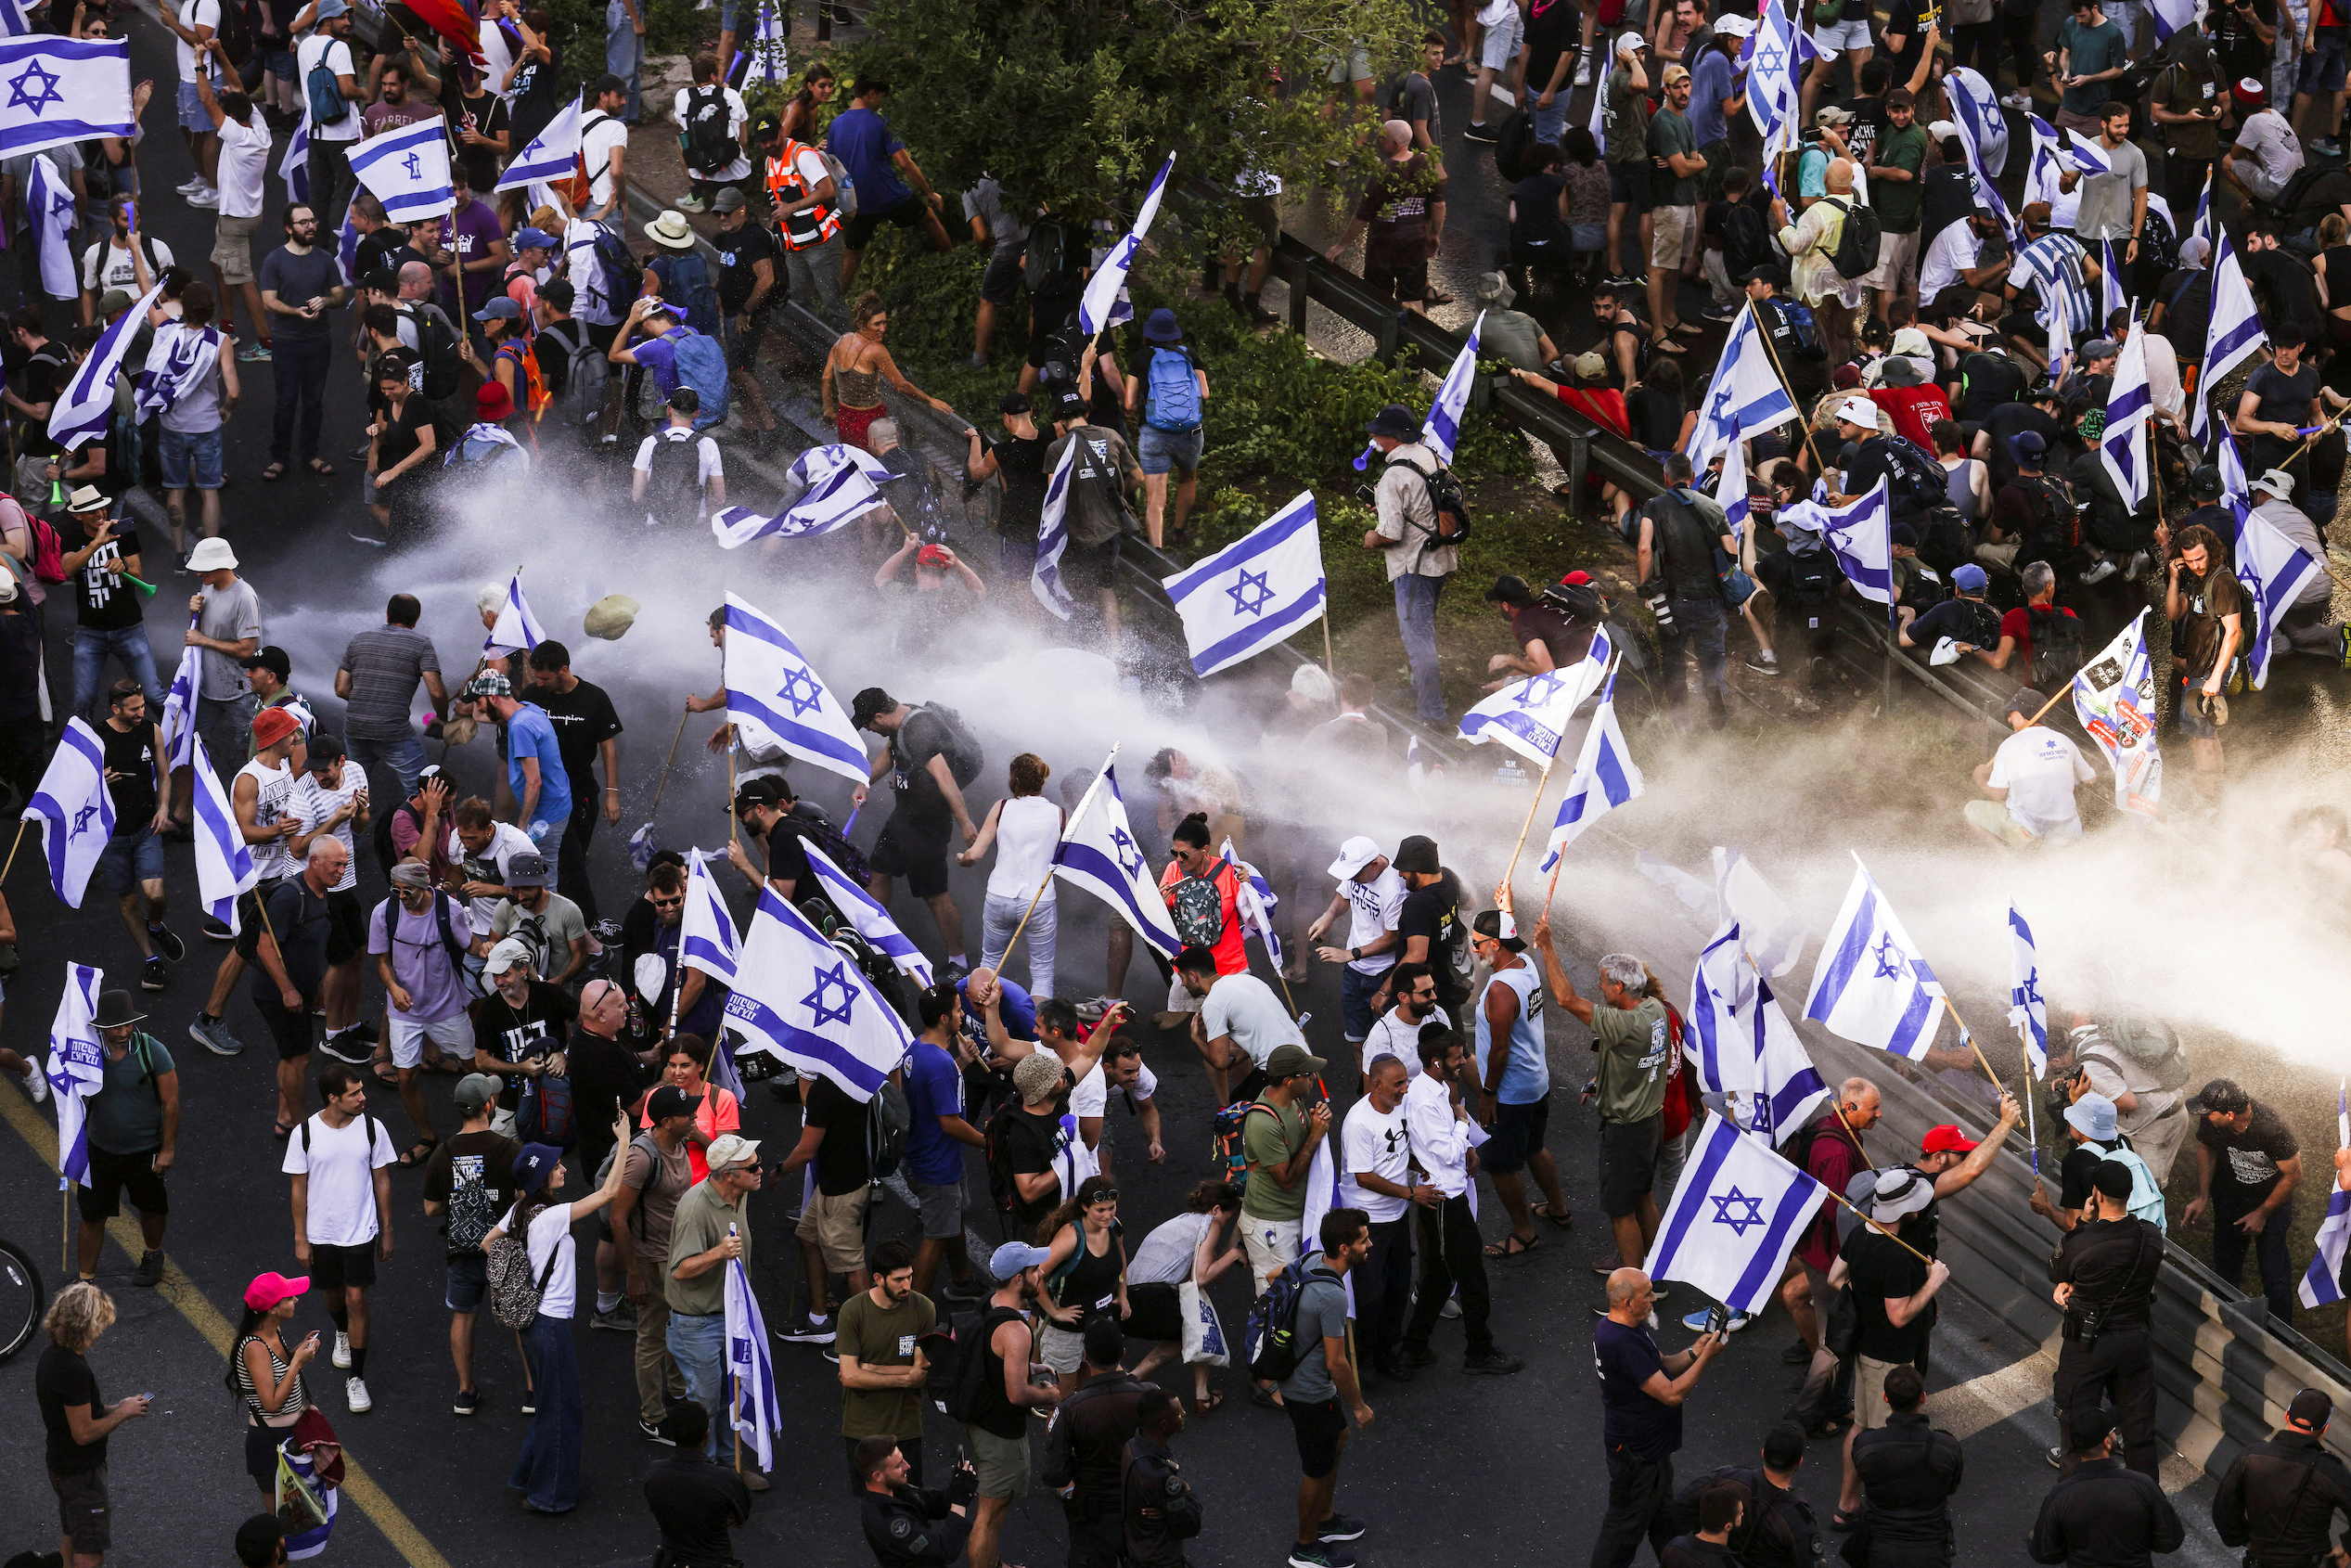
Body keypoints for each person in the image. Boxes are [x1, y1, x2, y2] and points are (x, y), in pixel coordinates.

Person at [487, 1128, 631, 1513]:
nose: (563, 1168)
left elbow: (488, 1244)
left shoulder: (521, 1210)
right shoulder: (548, 1216)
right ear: (542, 1178)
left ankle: (526, 1476)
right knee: (563, 1413)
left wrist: (521, 1270)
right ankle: (549, 1496)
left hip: (535, 1324)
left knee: (551, 1405)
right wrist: (626, 1141)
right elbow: (608, 1193)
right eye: (556, 1166)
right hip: (550, 1325)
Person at [1593, 1268, 1725, 1568]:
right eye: (1647, 1294)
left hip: (1651, 1452)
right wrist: (1706, 1359)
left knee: (1665, 1521)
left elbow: (1660, 1366)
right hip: (1636, 1458)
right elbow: (1671, 1393)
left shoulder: (1625, 1327)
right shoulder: (1621, 1342)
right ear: (1627, 1303)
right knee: (1622, 1533)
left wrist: (1694, 1351)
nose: (1654, 1298)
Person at [1401, 1029, 1516, 1373]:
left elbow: (1451, 1147)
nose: (1463, 1062)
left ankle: (1413, 1347)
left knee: (1439, 1277)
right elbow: (1448, 1152)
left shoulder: (1436, 1090)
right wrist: (1463, 1128)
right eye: (1457, 1058)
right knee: (1472, 1278)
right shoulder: (1424, 1100)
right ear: (1437, 1062)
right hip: (1445, 1202)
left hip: (1448, 1197)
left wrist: (1463, 1143)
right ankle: (1479, 1353)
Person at [283, 1062, 395, 1413]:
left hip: (360, 1231)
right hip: (322, 1234)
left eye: (361, 1090)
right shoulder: (304, 1133)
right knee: (334, 1296)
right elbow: (298, 1188)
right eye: (354, 1093)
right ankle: (342, 1333)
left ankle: (356, 1378)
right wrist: (301, 1237)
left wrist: (387, 1230)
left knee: (357, 1297)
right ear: (333, 1098)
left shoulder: (373, 1129)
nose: (363, 1097)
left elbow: (382, 1180)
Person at [2047, 1160, 2166, 1479]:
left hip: (2086, 1346)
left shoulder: (2084, 1241)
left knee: (2075, 1429)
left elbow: (2057, 1269)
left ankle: (2075, 1497)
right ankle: (2146, 1500)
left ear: (2096, 1194)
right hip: (2135, 1341)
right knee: (2140, 1432)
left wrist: (2082, 1224)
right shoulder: (2151, 1236)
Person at [666, 1132, 772, 1489]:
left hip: (730, 1316)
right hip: (699, 1322)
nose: (760, 1169)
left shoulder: (737, 1195)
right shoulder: (695, 1209)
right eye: (752, 1166)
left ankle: (730, 1465)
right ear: (728, 1174)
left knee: (734, 1391)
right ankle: (703, 1473)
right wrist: (718, 1253)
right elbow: (679, 1270)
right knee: (706, 1401)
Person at [849, 688, 980, 967]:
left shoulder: (919, 731)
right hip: (904, 816)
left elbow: (945, 778)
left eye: (869, 723)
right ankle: (872, 940)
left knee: (935, 895)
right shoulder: (902, 717)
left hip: (927, 823)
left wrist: (966, 823)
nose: (869, 729)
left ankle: (959, 962)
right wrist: (865, 781)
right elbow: (891, 752)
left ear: (880, 716)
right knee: (879, 872)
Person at [418, 1073, 520, 1417]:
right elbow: (525, 1196)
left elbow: (431, 1208)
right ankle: (534, 1391)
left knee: (463, 1317)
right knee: (521, 1317)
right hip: (504, 1249)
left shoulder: (442, 1155)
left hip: (463, 1250)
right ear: (488, 1105)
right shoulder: (509, 1150)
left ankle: (464, 1391)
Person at [1278, 1211, 1374, 1568]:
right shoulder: (1333, 1297)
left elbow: (1276, 1277)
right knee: (1316, 1468)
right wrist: (1360, 1405)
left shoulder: (1309, 1261)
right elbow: (1337, 1363)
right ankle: (1304, 1547)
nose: (1370, 1244)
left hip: (1299, 1380)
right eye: (1364, 1240)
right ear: (1345, 1248)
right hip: (1309, 1391)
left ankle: (1326, 1519)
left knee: (1339, 1437)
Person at [962, 1241, 1066, 1568]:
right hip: (1000, 1434)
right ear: (1019, 1278)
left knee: (999, 1506)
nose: (1040, 1274)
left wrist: (1029, 1367)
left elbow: (993, 1357)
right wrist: (1050, 1397)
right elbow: (1018, 1395)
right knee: (989, 1514)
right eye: (1034, 1270)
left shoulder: (988, 1304)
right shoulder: (1016, 1330)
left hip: (983, 1420)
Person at [38, 1281, 148, 1568]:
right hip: (81, 1475)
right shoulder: (73, 1371)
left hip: (61, 1466)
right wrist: (121, 1414)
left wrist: (122, 1407)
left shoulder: (51, 1356)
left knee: (72, 1535)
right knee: (91, 1551)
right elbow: (83, 1433)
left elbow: (76, 1414)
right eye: (101, 1323)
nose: (103, 1329)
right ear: (85, 1324)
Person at [1360, 403, 1457, 725]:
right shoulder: (1430, 456)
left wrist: (1371, 537)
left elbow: (1389, 534)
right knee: (1423, 628)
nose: (1373, 436)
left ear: (1389, 437)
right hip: (1439, 557)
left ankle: (1432, 713)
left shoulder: (1392, 476)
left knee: (1418, 639)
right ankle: (1419, 689)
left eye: (1377, 432)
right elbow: (1424, 502)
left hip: (1413, 566)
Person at [72, 991, 177, 1288]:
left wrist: (168, 1149)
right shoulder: (88, 1054)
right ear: (100, 1028)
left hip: (145, 1151)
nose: (123, 1032)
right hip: (100, 1150)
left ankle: (153, 1254)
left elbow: (171, 1103)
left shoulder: (153, 1051)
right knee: (92, 1216)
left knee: (152, 1208)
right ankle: (86, 1281)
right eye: (115, 1027)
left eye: (128, 1025)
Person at [611, 1084, 697, 1439]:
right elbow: (618, 1218)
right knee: (651, 1337)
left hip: (677, 1257)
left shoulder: (678, 1142)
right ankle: (652, 1415)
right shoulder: (642, 1158)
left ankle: (676, 1393)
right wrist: (633, 1276)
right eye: (687, 1114)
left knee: (678, 1326)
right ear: (665, 1121)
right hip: (653, 1261)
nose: (693, 1117)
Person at [2186, 1076, 2302, 1324]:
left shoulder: (2272, 1129)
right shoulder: (2213, 1123)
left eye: (2209, 1112)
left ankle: (2281, 1340)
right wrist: (2202, 1195)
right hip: (2230, 1197)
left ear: (2229, 1114)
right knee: (2225, 1270)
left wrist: (2262, 1213)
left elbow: (2293, 1173)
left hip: (2270, 1200)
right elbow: (2206, 1148)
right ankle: (2217, 1324)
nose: (2205, 1116)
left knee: (2273, 1273)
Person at [1339, 1055, 1426, 1382]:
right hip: (1369, 1222)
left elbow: (1399, 1152)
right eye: (1398, 1084)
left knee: (1397, 1286)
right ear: (1376, 1085)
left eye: (1405, 1081)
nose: (1405, 1090)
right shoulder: (1360, 1122)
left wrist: (1417, 1166)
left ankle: (1387, 1351)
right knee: (1370, 1294)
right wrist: (1410, 1194)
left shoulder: (1399, 1105)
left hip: (1396, 1216)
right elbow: (1364, 1177)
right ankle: (1363, 1360)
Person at [1040, 1317, 1151, 1566]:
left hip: (1093, 1516)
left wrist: (1071, 1491)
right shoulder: (1149, 1397)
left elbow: (1056, 1472)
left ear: (1085, 1356)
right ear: (1122, 1353)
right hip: (1140, 1506)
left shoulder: (1070, 1410)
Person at [93, 682, 176, 992]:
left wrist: (164, 807)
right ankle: (151, 960)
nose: (142, 712)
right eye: (134, 709)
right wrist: (98, 779)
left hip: (146, 828)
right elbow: (75, 786)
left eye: (142, 706)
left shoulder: (151, 730)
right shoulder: (97, 737)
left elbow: (164, 774)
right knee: (128, 901)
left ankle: (155, 926)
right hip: (111, 836)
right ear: (116, 709)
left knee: (154, 894)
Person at [837, 1238, 936, 1492]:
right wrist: (904, 1378)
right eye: (899, 1279)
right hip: (863, 1430)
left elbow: (921, 1372)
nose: (907, 1286)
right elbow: (849, 1377)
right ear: (879, 1278)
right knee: (872, 1508)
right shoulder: (852, 1311)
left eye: (910, 1277)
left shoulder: (924, 1308)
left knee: (912, 1503)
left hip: (907, 1429)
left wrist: (870, 1369)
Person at [1237, 1042, 1331, 1305]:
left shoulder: (1294, 1100)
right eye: (1308, 1074)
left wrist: (1314, 1124)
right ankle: (1261, 1348)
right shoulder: (1264, 1123)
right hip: (1272, 1227)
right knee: (1277, 1306)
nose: (1314, 1077)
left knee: (1297, 1300)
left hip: (1294, 1217)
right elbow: (1286, 1180)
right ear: (1289, 1081)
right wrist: (1315, 1135)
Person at [2213, 1387, 2351, 1563]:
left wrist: (2245, 1539)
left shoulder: (2250, 1457)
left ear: (2287, 1415)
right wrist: (2347, 1549)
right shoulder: (2331, 1470)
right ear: (2325, 1428)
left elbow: (2223, 1511)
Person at [258, 204, 343, 482]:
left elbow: (340, 296)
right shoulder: (275, 261)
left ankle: (310, 454)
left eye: (312, 220)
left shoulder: (325, 259)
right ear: (288, 228)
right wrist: (296, 312)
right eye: (303, 222)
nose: (310, 226)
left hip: (319, 341)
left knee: (314, 401)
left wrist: (326, 301)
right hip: (287, 342)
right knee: (285, 402)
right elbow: (268, 301)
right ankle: (279, 458)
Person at [1846, 1364, 1963, 1565]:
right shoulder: (1947, 1447)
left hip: (1880, 1548)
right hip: (1931, 1549)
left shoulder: (1866, 1445)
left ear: (1886, 1398)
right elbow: (1951, 1486)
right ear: (1923, 1397)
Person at [2165, 523, 2245, 811]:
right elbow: (2173, 612)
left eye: (2200, 558)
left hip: (2210, 670)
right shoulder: (2197, 578)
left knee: (2199, 739)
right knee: (2208, 735)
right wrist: (2175, 577)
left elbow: (2233, 632)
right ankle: (2216, 792)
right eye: (2190, 560)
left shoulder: (2221, 581)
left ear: (2211, 551)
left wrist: (2216, 678)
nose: (2196, 565)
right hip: (2199, 668)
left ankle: (2205, 800)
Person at [1964, 687, 2097, 847]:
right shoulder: (2064, 740)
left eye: (2011, 714)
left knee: (1971, 810)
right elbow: (2090, 779)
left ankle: (2008, 859)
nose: (2009, 719)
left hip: (2031, 830)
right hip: (2068, 831)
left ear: (2022, 715)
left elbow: (1998, 794)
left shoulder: (2009, 745)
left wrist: (1980, 779)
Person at [229, 1272, 316, 1502]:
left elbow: (278, 1372)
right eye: (289, 1297)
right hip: (271, 1443)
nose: (295, 1300)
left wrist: (298, 1351)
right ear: (272, 1309)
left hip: (292, 1434)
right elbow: (271, 1404)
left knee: (308, 1511)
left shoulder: (274, 1331)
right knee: (285, 1519)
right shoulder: (255, 1348)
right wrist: (298, 1362)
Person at [645, 1402, 754, 1567]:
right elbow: (739, 1516)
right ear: (707, 1435)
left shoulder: (654, 1474)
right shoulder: (726, 1480)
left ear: (673, 1435)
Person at [858, 1435, 981, 1567]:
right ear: (878, 1476)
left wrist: (956, 1488)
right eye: (898, 1465)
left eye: (903, 1459)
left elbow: (934, 1504)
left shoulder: (895, 1490)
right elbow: (944, 1550)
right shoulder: (891, 1522)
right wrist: (959, 1501)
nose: (907, 1466)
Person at [1122, 1388, 1202, 1566]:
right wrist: (1186, 1491)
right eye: (1178, 1413)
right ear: (1164, 1425)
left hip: (1137, 1546)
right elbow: (1190, 1523)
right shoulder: (1160, 1476)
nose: (1184, 1413)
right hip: (1161, 1559)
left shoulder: (1132, 1446)